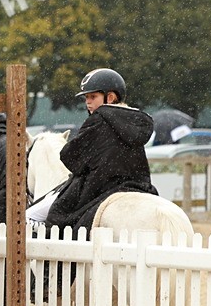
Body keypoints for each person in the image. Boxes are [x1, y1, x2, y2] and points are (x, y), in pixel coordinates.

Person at [30, 68, 157, 233]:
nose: (87, 102)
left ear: (110, 97)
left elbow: (70, 157)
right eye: (86, 98)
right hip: (139, 185)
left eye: (93, 96)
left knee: (42, 218)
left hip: (98, 188)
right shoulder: (135, 121)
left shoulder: (98, 119)